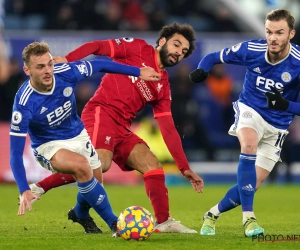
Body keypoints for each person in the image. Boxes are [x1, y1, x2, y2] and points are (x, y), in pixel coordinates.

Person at [26, 22, 204, 233]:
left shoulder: (163, 85)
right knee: (100, 163)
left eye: (183, 52)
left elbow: (168, 129)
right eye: (176, 45)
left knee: (152, 164)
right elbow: (97, 47)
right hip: (101, 111)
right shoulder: (137, 48)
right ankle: (40, 187)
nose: (178, 53)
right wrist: (68, 59)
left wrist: (184, 167)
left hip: (122, 127)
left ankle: (163, 222)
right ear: (162, 41)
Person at [10, 41, 161, 236]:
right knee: (82, 166)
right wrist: (23, 189)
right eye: (40, 67)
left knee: (93, 184)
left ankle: (80, 213)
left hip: (78, 134)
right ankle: (115, 224)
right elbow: (14, 153)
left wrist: (137, 72)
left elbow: (100, 64)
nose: (48, 70)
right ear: (27, 70)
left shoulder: (65, 72)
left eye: (49, 64)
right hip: (48, 145)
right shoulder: (24, 103)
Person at [189, 9, 300, 237]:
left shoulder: (298, 63)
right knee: (248, 145)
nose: (272, 38)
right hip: (251, 110)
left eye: (279, 32)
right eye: (269, 32)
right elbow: (212, 57)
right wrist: (202, 70)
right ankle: (249, 219)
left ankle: (212, 214)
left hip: (278, 126)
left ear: (291, 34)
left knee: (251, 185)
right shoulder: (252, 50)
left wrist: (285, 106)